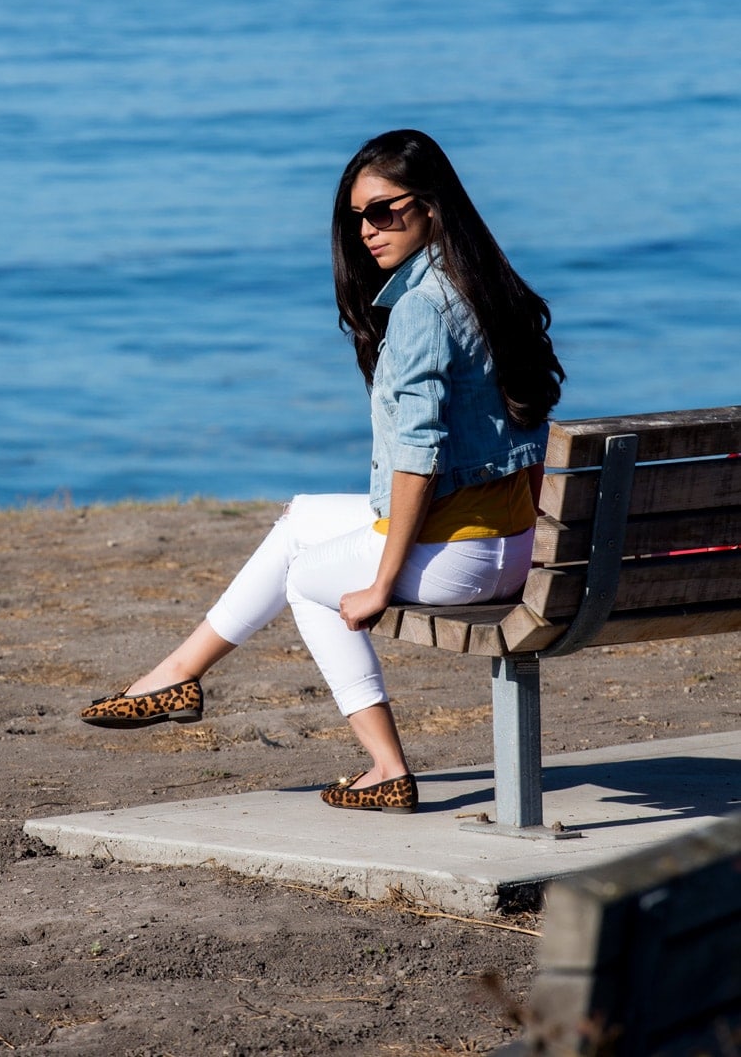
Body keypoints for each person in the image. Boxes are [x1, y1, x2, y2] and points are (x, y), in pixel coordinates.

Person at [80, 128, 565, 815]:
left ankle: (386, 766)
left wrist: (381, 582)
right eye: (356, 215)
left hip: (462, 553)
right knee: (303, 516)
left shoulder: (423, 310)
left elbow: (417, 459)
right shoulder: (482, 288)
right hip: (513, 542)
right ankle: (178, 674)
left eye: (383, 210)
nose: (367, 229)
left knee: (306, 581)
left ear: (430, 205)